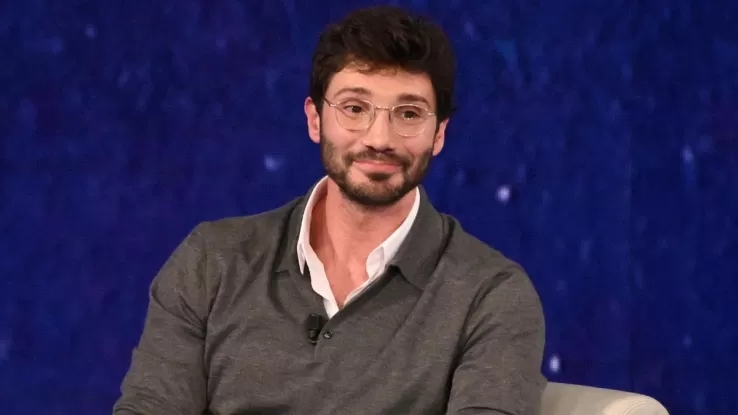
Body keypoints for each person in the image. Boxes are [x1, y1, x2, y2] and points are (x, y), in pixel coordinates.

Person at [113, 5, 546, 415]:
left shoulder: (491, 297)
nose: (379, 138)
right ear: (315, 119)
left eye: (409, 113)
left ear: (439, 134)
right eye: (355, 109)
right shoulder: (212, 262)